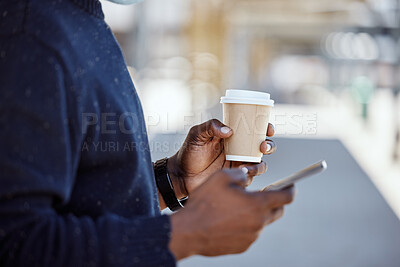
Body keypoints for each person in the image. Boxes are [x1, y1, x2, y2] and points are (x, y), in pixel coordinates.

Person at [0, 0, 295, 266]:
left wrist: (174, 181)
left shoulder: (80, 21)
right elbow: (15, 242)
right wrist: (187, 234)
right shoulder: (30, 34)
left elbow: (88, 201)